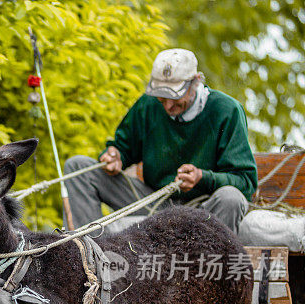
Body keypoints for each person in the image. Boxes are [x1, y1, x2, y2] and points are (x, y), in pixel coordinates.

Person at [64, 48, 257, 233]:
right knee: (77, 167)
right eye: (162, 97)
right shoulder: (147, 105)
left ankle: (208, 265)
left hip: (202, 207)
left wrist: (202, 177)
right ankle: (89, 256)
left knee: (231, 198)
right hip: (153, 203)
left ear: (196, 82)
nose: (168, 106)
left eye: (176, 96)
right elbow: (122, 148)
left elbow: (245, 181)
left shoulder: (226, 110)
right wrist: (115, 157)